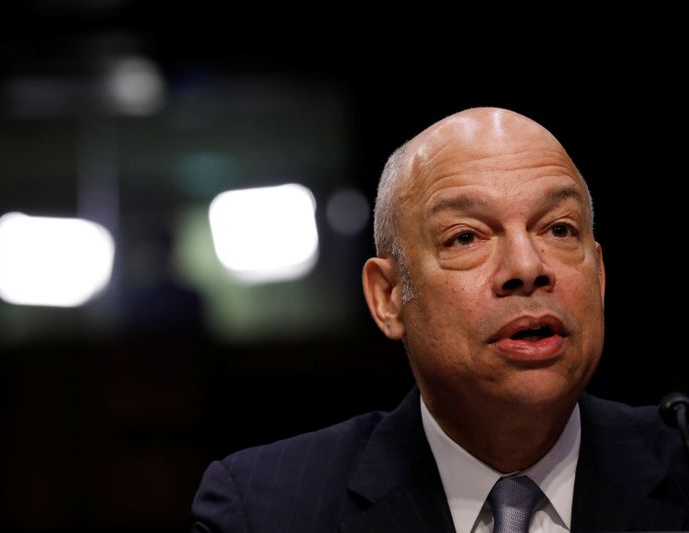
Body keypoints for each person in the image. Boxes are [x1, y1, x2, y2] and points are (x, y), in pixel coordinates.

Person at [191, 107, 689, 532]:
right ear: (388, 297)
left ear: (599, 277)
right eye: (465, 237)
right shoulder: (265, 510)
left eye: (558, 228)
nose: (527, 267)